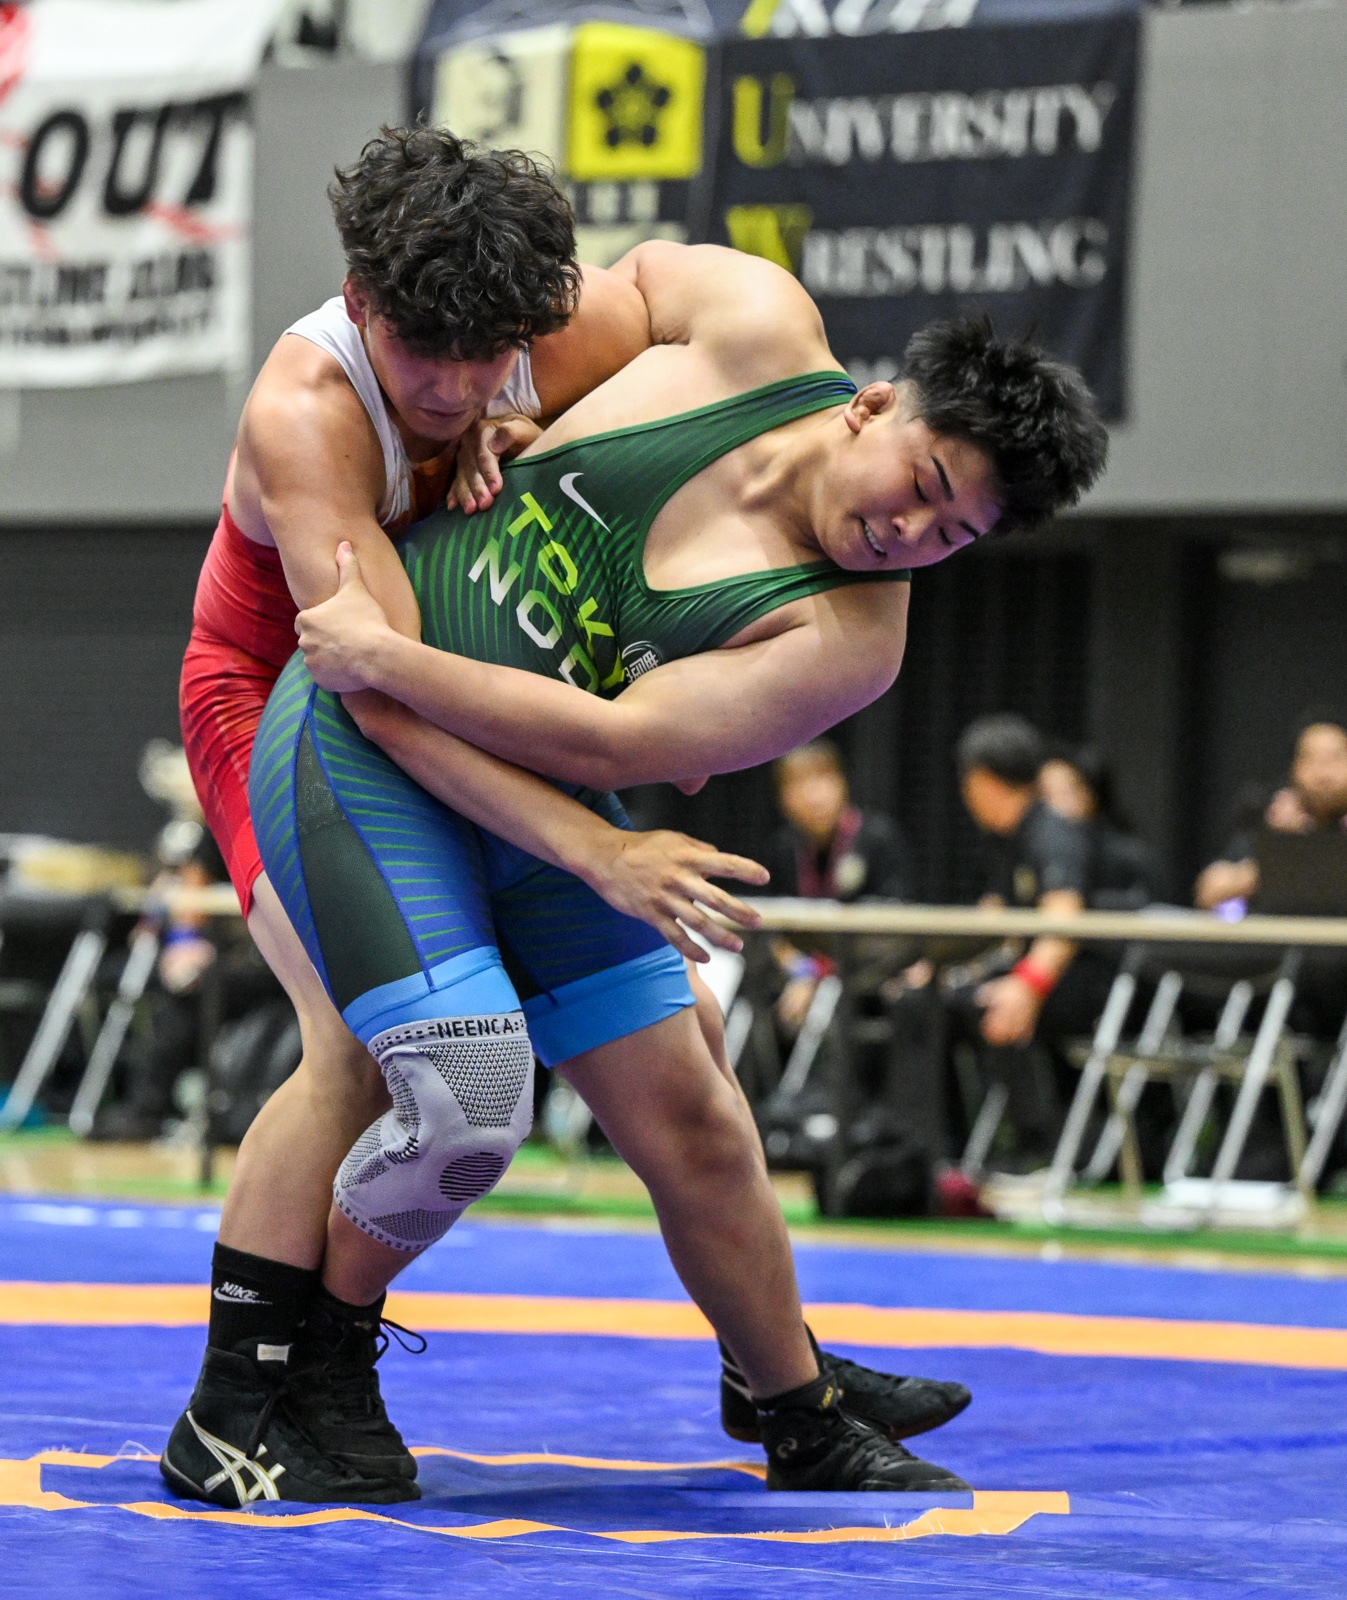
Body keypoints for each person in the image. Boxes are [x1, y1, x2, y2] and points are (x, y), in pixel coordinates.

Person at [231, 235, 1104, 1504]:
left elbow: (613, 741)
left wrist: (395, 659)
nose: (908, 531)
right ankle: (311, 1354)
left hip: (511, 769)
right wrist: (493, 412)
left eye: (951, 535)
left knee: (694, 1106)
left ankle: (793, 1405)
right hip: (355, 732)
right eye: (921, 484)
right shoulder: (751, 318)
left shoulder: (849, 637)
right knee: (445, 1085)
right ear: (873, 404)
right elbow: (548, 310)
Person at [170, 128, 921, 1509]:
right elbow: (378, 688)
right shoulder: (310, 407)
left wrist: (517, 421)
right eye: (427, 360)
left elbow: (620, 317)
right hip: (292, 695)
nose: (457, 390)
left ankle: (777, 1364)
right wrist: (592, 843)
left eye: (491, 361)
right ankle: (241, 1398)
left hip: (464, 710)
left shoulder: (515, 335)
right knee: (355, 1049)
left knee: (689, 1051)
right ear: (360, 297)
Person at [764, 739, 911, 1034]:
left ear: (842, 784)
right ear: (783, 799)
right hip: (800, 975)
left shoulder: (878, 838)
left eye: (822, 780)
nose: (814, 796)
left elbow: (891, 927)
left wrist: (821, 975)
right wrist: (804, 971)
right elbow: (774, 933)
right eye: (799, 785)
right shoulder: (782, 848)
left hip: (866, 978)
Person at [1194, 715, 1347, 912]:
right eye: (1310, 759)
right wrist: (1283, 850)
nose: (1322, 774)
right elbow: (1210, 891)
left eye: (1335, 758)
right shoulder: (1270, 830)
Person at [1039, 744, 1160, 909]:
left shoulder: (1128, 857)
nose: (1053, 804)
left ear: (1092, 794)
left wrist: (1081, 901)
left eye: (1065, 792)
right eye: (1044, 793)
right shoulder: (1030, 847)